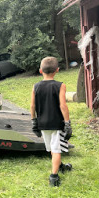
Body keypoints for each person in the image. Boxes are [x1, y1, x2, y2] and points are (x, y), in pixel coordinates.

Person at [30, 57, 73, 187]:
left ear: (40, 71)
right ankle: (53, 177)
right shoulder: (61, 86)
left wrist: (34, 122)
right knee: (56, 149)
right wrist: (67, 123)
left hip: (42, 123)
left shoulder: (35, 86)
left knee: (53, 148)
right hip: (57, 123)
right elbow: (63, 106)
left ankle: (60, 166)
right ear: (57, 70)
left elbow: (32, 106)